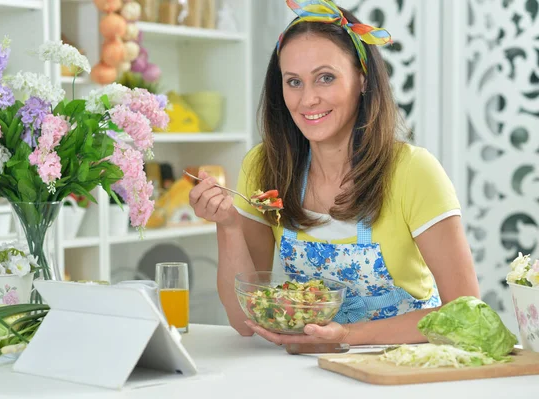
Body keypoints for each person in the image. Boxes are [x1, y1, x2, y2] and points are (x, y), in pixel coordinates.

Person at [188, 0, 480, 346]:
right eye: (293, 82)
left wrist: (346, 336)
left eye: (325, 78)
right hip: (309, 368)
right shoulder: (265, 165)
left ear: (361, 78)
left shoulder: (412, 171)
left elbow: (465, 311)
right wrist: (229, 225)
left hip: (401, 368)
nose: (308, 98)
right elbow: (243, 320)